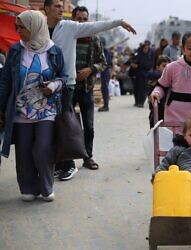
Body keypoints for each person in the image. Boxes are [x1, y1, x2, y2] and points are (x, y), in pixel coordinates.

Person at [44, 0, 136, 181]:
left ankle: (76, 161)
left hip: (71, 86)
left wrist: (119, 21)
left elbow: (97, 28)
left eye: (62, 6)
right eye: (57, 6)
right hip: (48, 86)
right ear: (46, 9)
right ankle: (59, 162)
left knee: (76, 125)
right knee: (53, 125)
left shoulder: (71, 28)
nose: (61, 9)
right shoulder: (41, 29)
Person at [0, 10, 66, 201]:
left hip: (47, 110)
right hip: (20, 110)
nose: (18, 31)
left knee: (43, 147)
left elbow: (64, 77)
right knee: (24, 150)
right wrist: (2, 107)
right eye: (17, 27)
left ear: (35, 27)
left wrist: (53, 86)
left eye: (22, 27)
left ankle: (46, 187)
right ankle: (28, 188)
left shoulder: (54, 50)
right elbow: (5, 82)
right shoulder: (15, 50)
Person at [149, 32, 191, 134]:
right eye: (190, 48)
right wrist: (156, 93)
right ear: (183, 48)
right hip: (174, 114)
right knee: (174, 145)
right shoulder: (172, 67)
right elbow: (161, 86)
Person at [71, 6, 107, 170]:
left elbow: (103, 63)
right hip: (67, 89)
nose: (82, 22)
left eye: (85, 19)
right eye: (79, 19)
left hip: (86, 89)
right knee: (67, 125)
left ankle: (88, 157)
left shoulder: (94, 39)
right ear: (73, 20)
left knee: (89, 126)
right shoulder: (66, 36)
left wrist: (90, 70)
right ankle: (66, 159)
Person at [148, 55, 171, 128]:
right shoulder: (155, 82)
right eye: (164, 66)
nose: (167, 68)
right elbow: (151, 102)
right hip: (158, 114)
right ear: (158, 67)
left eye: (169, 66)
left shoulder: (174, 81)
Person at [132, 43, 153, 107]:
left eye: (147, 48)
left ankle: (141, 102)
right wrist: (134, 65)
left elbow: (149, 65)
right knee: (136, 89)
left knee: (143, 89)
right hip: (137, 75)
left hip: (145, 75)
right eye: (145, 48)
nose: (146, 50)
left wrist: (140, 65)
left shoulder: (148, 56)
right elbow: (134, 61)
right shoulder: (138, 55)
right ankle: (137, 101)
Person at [98, 37, 113, 112]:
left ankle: (106, 106)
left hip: (106, 70)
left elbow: (105, 62)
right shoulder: (103, 50)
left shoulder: (105, 51)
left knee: (105, 88)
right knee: (103, 88)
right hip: (104, 70)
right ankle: (105, 105)